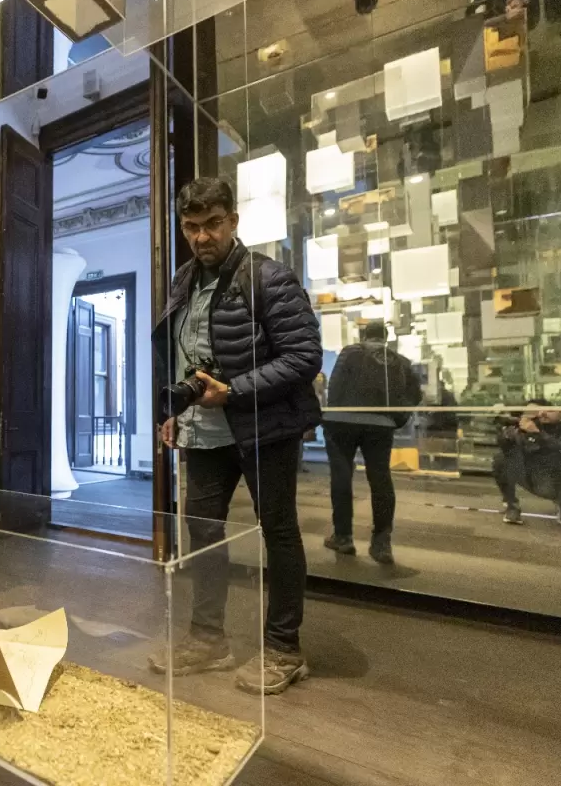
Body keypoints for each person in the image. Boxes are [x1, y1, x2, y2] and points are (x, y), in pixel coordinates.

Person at [149, 178, 322, 696]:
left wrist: (234, 391)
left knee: (279, 532)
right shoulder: (184, 280)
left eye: (213, 224)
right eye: (191, 227)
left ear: (233, 222)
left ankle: (285, 648)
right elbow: (182, 351)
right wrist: (174, 411)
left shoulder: (269, 277)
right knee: (202, 533)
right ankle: (208, 640)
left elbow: (303, 357)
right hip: (204, 432)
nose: (202, 237)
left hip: (264, 428)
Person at [322, 321, 422, 565]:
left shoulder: (350, 352)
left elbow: (335, 386)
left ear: (364, 335)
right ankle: (381, 543)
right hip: (380, 425)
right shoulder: (399, 361)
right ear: (385, 338)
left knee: (342, 477)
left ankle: (343, 537)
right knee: (381, 480)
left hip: (343, 422)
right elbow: (415, 395)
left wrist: (332, 415)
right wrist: (395, 419)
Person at [493, 400, 561, 525]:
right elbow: (509, 451)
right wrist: (509, 435)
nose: (543, 413)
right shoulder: (528, 429)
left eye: (549, 410)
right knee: (501, 459)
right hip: (538, 478)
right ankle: (512, 506)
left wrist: (539, 435)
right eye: (538, 412)